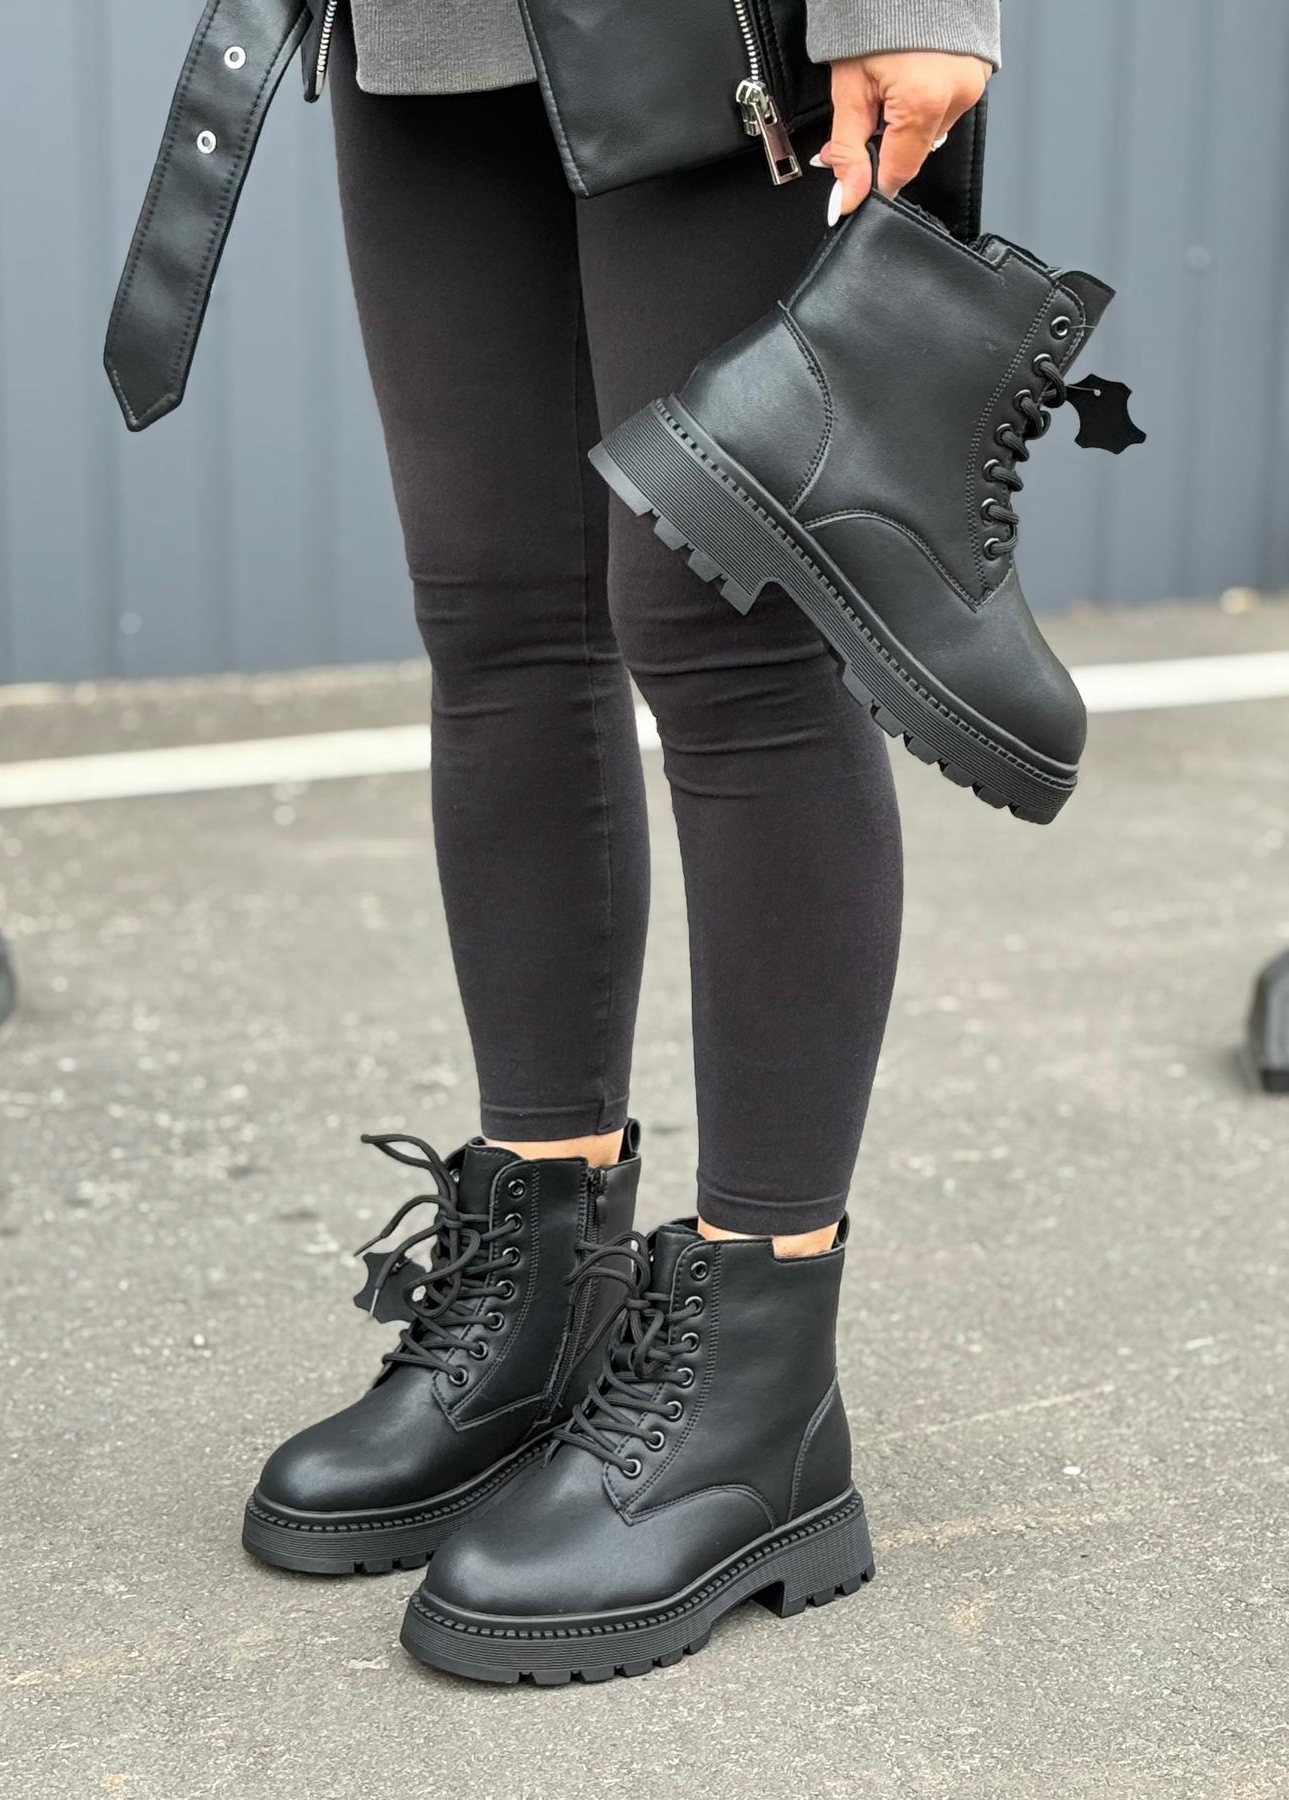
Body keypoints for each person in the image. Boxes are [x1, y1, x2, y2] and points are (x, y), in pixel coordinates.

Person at [244, 0, 996, 1681]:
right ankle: (542, 1296)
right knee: (497, 619)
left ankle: (758, 1400)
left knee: (733, 641)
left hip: (702, 26)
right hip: (425, 32)